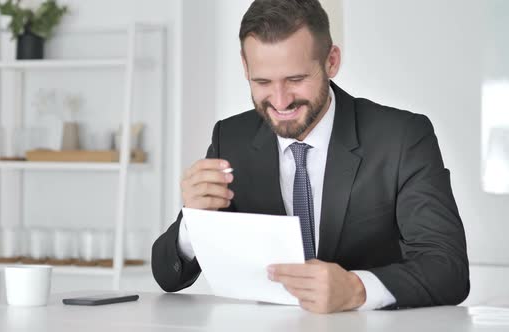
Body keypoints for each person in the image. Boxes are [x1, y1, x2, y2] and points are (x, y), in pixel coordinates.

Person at [151, 0, 469, 313]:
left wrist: (357, 289)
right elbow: (167, 276)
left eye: (296, 79)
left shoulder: (402, 137)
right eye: (262, 81)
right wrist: (193, 222)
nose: (280, 101)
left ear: (331, 62)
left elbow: (448, 268)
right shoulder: (230, 138)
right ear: (245, 67)